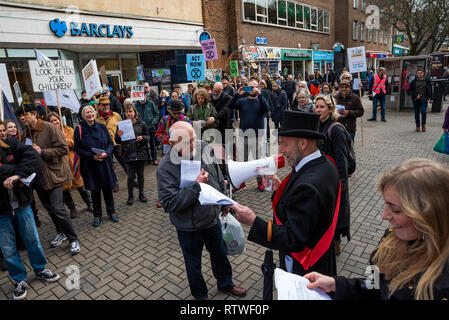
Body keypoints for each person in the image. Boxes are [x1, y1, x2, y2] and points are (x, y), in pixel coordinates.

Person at [305, 158, 449, 300]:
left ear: (430, 215)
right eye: (386, 205)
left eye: (396, 210)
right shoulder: (389, 239)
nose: (384, 215)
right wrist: (335, 284)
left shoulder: (443, 283)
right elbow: (372, 285)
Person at [232, 111, 340, 276]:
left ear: (303, 143)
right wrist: (281, 188)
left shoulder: (308, 186)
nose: (280, 150)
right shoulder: (326, 163)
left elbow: (293, 238)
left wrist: (254, 222)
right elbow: (307, 207)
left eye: (284, 144)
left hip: (305, 268)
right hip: (322, 257)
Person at [156, 121, 247, 300]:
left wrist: (224, 201)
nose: (192, 145)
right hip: (188, 227)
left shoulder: (203, 146)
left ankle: (226, 283)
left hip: (212, 219)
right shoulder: (165, 168)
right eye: (186, 142)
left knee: (220, 254)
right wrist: (195, 187)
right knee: (193, 263)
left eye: (193, 139)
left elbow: (217, 175)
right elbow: (169, 203)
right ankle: (200, 296)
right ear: (172, 144)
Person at [0, 136, 61, 300]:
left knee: (32, 239)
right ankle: (19, 280)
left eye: (2, 130)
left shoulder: (11, 144)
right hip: (1, 212)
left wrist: (17, 174)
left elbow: (34, 158)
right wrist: (15, 169)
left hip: (22, 204)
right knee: (8, 249)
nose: (2, 133)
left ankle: (40, 269)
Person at [18, 105, 80, 255]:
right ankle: (61, 232)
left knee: (58, 208)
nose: (22, 118)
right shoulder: (24, 135)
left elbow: (63, 149)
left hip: (54, 175)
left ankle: (73, 239)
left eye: (24, 115)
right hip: (37, 179)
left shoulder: (49, 127)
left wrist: (43, 151)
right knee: (50, 209)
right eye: (20, 116)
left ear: (34, 114)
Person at [315, 96, 351, 256]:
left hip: (334, 178)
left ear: (330, 109)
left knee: (336, 213)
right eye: (316, 106)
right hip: (321, 176)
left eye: (322, 107)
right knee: (323, 211)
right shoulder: (317, 125)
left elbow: (342, 161)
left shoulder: (336, 129)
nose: (318, 110)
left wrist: (341, 185)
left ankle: (336, 241)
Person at [74, 105, 119, 227]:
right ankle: (97, 215)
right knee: (95, 191)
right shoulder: (79, 129)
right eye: (87, 112)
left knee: (107, 189)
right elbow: (77, 148)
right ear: (83, 116)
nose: (90, 114)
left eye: (91, 112)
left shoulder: (102, 127)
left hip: (104, 163)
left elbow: (110, 143)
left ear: (95, 113)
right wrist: (91, 156)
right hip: (90, 165)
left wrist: (107, 153)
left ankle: (112, 212)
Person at [47, 112, 93, 219]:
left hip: (73, 163)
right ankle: (72, 209)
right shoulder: (49, 135)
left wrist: (64, 139)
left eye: (56, 120)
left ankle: (89, 203)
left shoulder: (69, 130)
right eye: (51, 121)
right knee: (65, 189)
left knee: (81, 185)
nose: (54, 122)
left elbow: (77, 144)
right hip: (60, 166)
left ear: (59, 120)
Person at [228, 78, 270, 192]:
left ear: (259, 88)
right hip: (243, 134)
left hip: (258, 135)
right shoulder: (242, 101)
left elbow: (267, 109)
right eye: (250, 86)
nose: (252, 89)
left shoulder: (261, 100)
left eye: (255, 86)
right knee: (242, 160)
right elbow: (230, 106)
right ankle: (241, 182)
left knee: (259, 160)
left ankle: (260, 181)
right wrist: (237, 94)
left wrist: (260, 95)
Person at [116, 104, 149, 205]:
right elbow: (117, 141)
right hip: (128, 153)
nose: (129, 113)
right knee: (130, 176)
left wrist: (142, 138)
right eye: (126, 112)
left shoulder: (142, 124)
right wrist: (118, 135)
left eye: (130, 111)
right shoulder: (121, 125)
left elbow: (149, 137)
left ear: (135, 112)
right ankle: (130, 196)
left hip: (140, 153)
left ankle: (141, 194)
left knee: (140, 175)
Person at [95, 96, 127, 177]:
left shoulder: (115, 115)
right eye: (103, 105)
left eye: (107, 104)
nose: (106, 106)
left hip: (117, 144)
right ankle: (114, 183)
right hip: (105, 146)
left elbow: (123, 128)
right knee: (110, 166)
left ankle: (133, 178)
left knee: (124, 162)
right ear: (99, 106)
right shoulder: (95, 118)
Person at [134, 95, 159, 165]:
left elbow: (157, 114)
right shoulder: (136, 105)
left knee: (152, 144)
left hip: (151, 127)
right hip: (141, 128)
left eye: (143, 95)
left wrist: (154, 121)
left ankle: (154, 159)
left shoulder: (150, 103)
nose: (142, 97)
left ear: (145, 95)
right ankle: (148, 159)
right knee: (144, 145)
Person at [407, 67, 433, 132]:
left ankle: (423, 125)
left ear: (423, 73)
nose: (420, 74)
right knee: (416, 113)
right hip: (416, 100)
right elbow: (409, 91)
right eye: (418, 73)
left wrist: (431, 98)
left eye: (421, 73)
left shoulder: (427, 81)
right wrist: (416, 95)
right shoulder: (413, 82)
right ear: (417, 74)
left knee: (424, 112)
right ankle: (417, 126)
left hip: (424, 99)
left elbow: (430, 90)